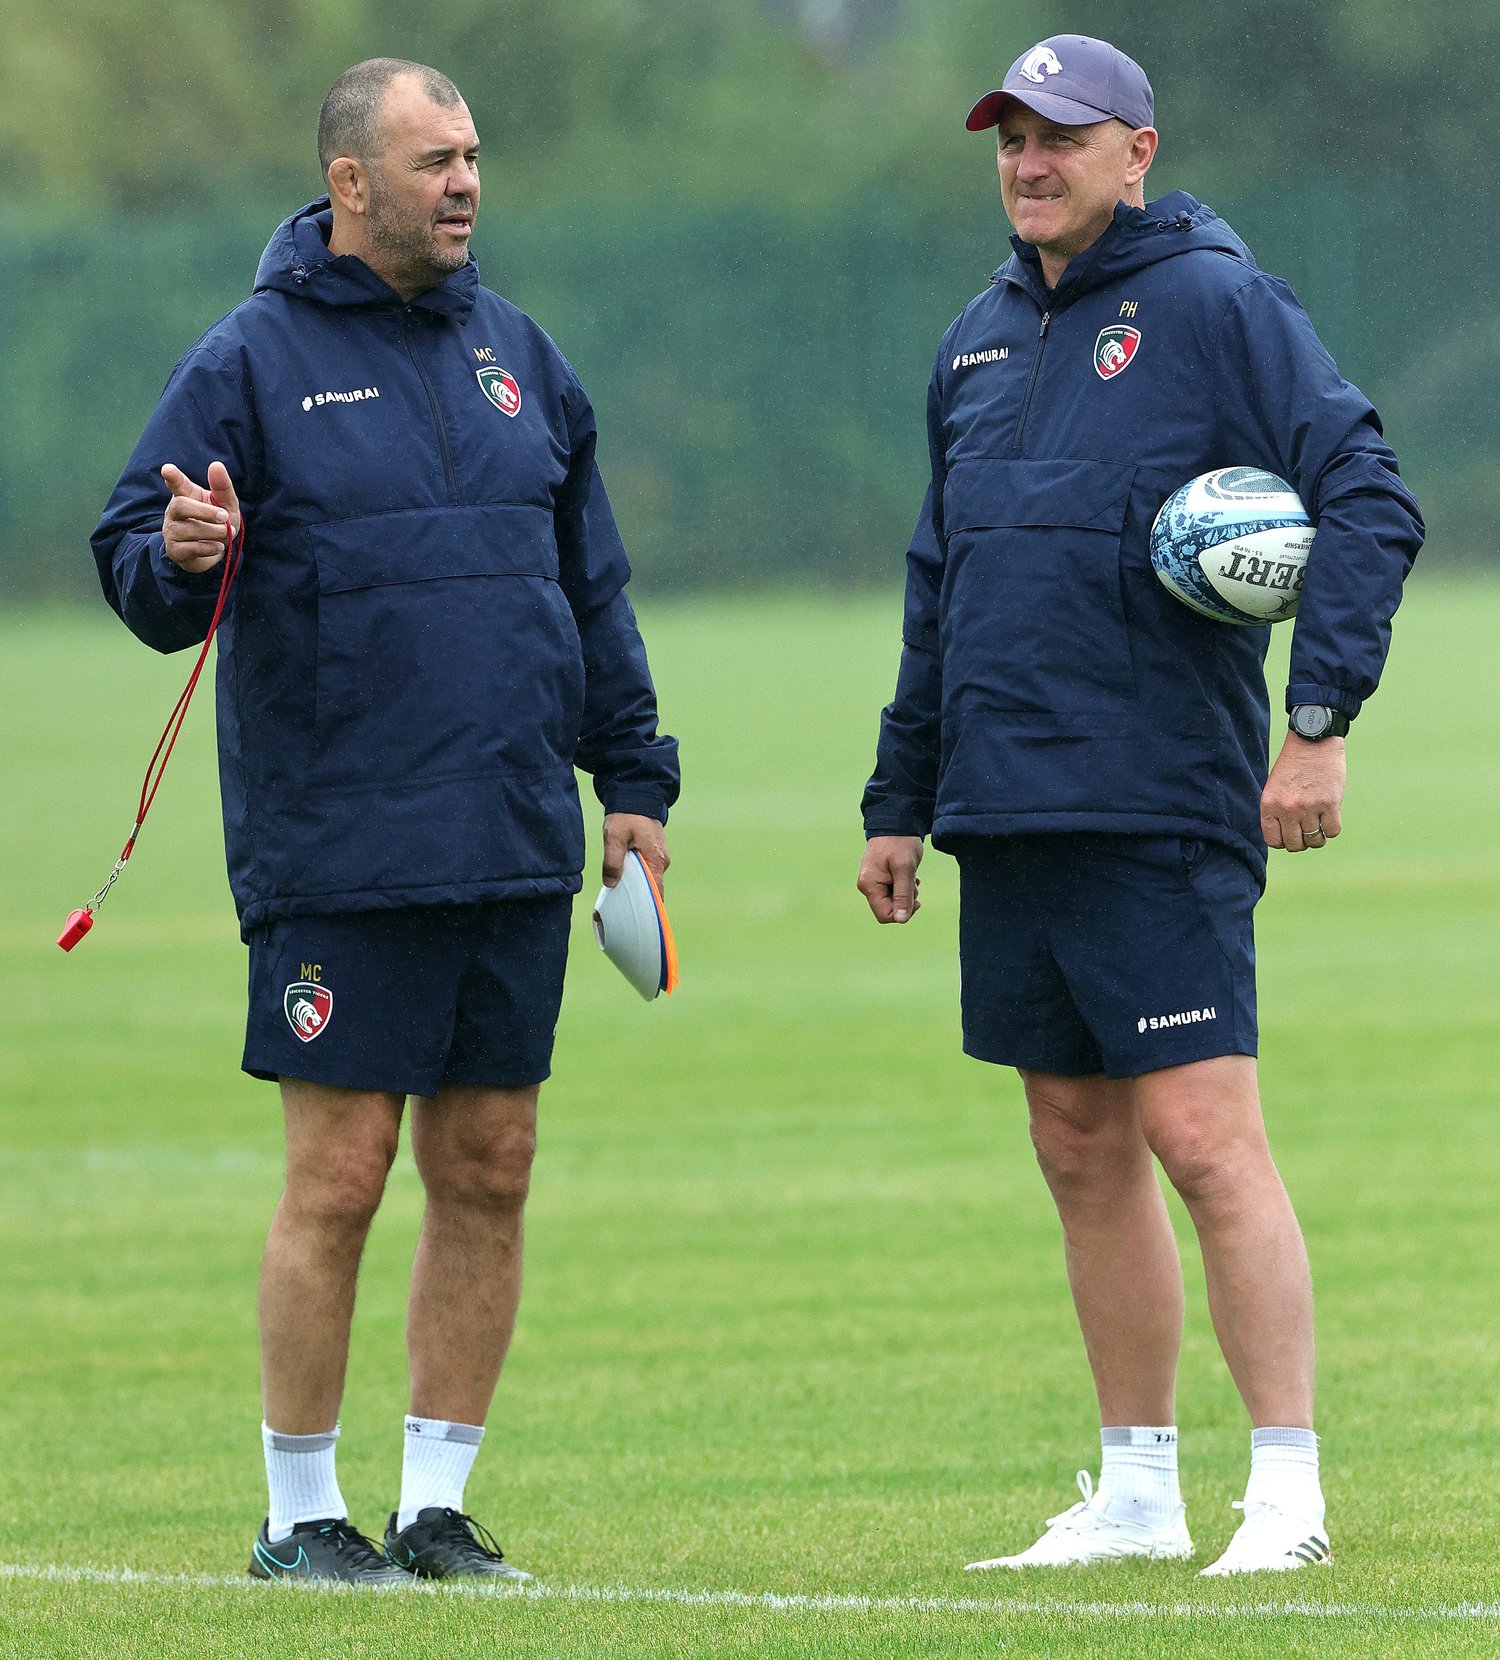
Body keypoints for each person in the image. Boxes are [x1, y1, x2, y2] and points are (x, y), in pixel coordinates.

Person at [93, 58, 679, 1585]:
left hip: (507, 833)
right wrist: (175, 547)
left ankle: (434, 1507)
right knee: (340, 1180)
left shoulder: (523, 358)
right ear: (352, 181)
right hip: (339, 842)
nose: (466, 181)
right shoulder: (250, 359)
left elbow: (591, 589)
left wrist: (634, 784)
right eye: (434, 159)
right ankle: (301, 1518)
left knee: (489, 1165)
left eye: (474, 153)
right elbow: (137, 561)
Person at [857, 35, 1420, 1576]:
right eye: (1011, 140)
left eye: (1061, 138)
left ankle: (1289, 1497)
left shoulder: (1220, 304)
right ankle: (1137, 1491)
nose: (1030, 163)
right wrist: (899, 797)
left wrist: (1318, 722)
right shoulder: (975, 340)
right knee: (1074, 1143)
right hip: (1006, 805)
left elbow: (1366, 489)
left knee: (1202, 1138)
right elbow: (940, 585)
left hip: (1159, 802)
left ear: (1138, 152)